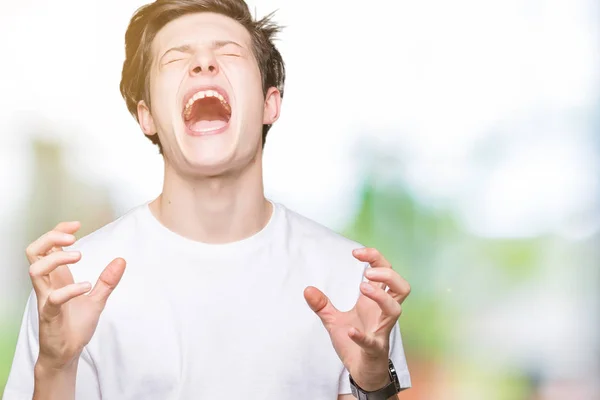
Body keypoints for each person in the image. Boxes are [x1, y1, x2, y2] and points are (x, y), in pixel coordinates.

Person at [3, 1, 412, 399]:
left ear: (271, 104)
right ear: (146, 116)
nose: (203, 64)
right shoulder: (75, 286)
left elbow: (370, 386)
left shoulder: (347, 278)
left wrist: (373, 384)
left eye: (228, 52)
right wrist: (56, 365)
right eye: (176, 59)